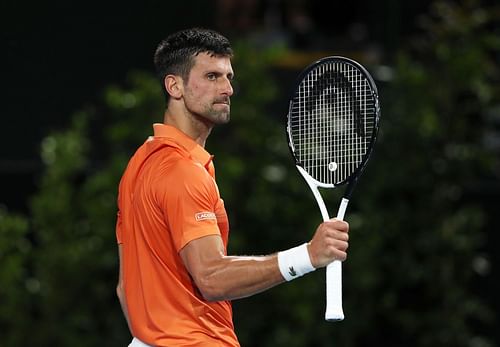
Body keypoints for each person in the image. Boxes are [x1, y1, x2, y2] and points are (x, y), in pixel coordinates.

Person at [115, 27, 349, 347]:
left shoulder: (138, 166)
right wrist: (308, 255)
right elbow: (211, 277)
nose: (227, 89)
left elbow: (125, 287)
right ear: (174, 86)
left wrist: (152, 338)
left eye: (228, 77)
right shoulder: (182, 172)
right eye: (212, 76)